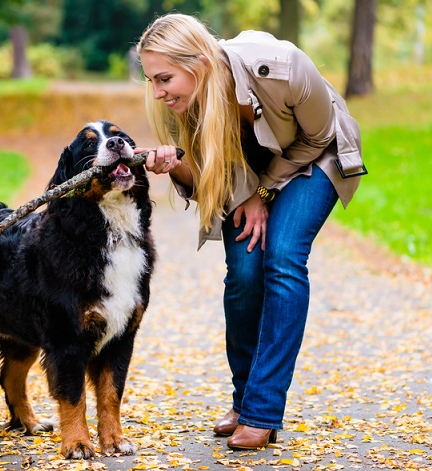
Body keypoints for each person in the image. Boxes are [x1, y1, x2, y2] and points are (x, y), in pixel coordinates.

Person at [134, 13, 365, 450]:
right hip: (249, 177)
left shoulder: (282, 65)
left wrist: (262, 190)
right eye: (151, 81)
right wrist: (176, 166)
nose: (158, 91)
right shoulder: (178, 106)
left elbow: (316, 137)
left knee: (282, 255)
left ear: (199, 61)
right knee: (242, 274)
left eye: (164, 78)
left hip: (317, 157)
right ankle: (243, 401)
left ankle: (263, 410)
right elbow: (208, 181)